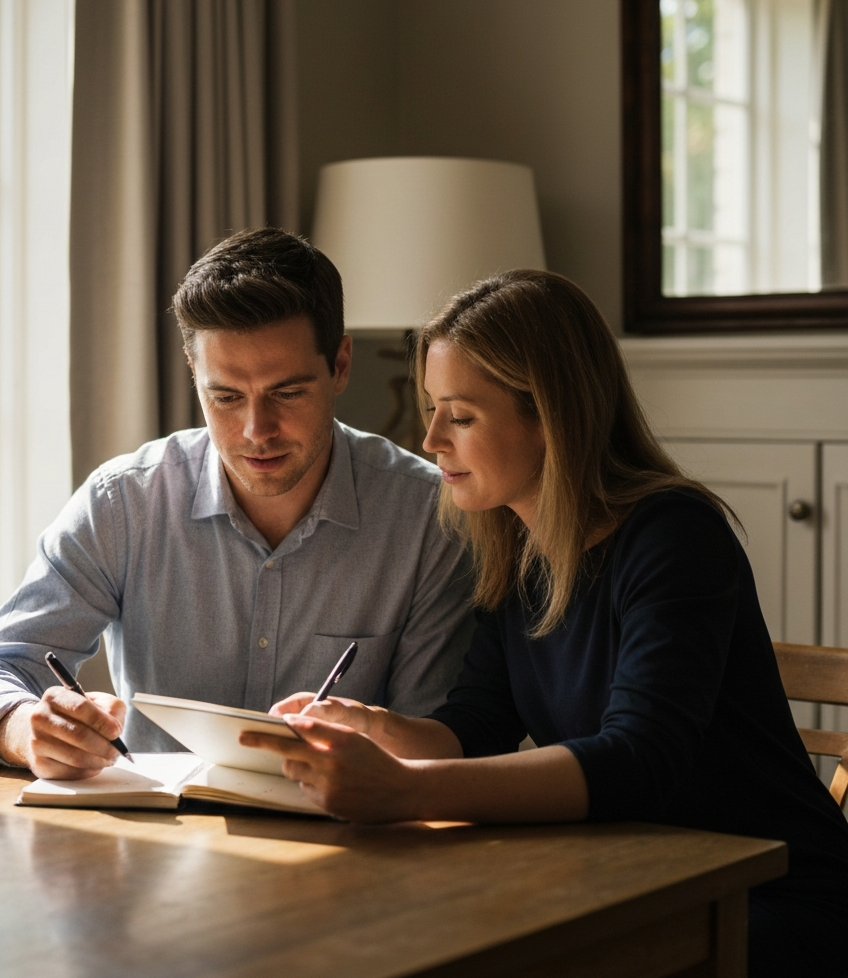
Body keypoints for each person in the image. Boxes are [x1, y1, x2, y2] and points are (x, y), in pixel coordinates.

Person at [242, 269, 848, 977]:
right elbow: (477, 726)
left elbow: (639, 760)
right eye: (434, 408)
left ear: (552, 417)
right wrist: (377, 729)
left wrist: (404, 789)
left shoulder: (676, 536)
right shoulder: (518, 547)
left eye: (460, 415)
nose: (430, 436)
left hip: (768, 900)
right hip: (636, 878)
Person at [0, 228, 473, 779]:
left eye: (287, 393)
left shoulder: (429, 517)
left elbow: (438, 740)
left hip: (350, 843)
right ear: (194, 373)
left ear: (339, 365)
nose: (255, 430)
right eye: (225, 397)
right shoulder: (124, 503)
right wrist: (25, 728)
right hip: (157, 845)